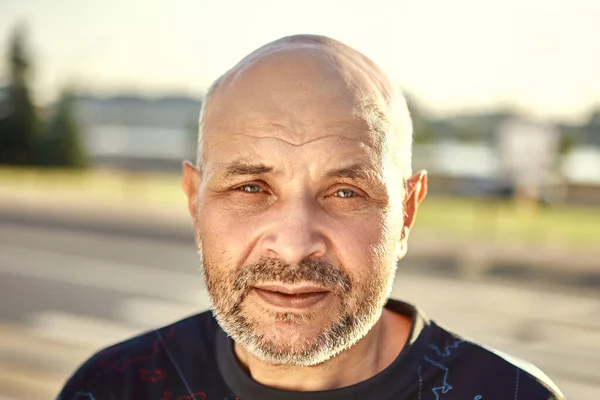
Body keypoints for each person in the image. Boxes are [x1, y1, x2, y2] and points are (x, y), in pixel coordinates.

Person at [57, 35, 563, 400]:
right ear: (195, 203)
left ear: (406, 212)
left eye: (345, 192)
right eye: (251, 188)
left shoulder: (510, 395)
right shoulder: (112, 386)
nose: (295, 245)